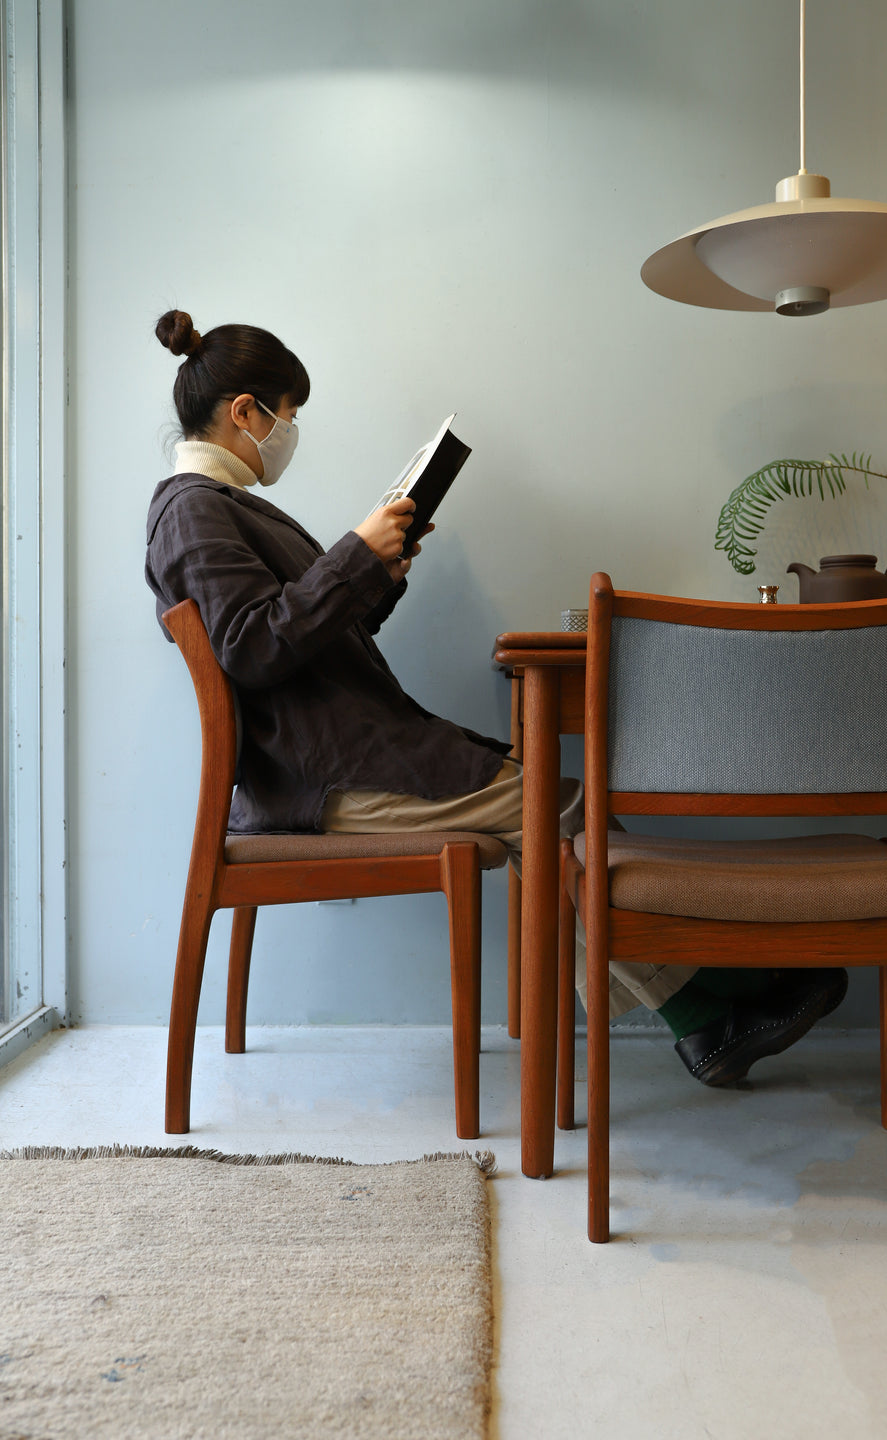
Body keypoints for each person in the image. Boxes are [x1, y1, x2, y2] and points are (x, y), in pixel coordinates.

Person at [145, 309, 847, 1087]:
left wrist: (380, 571)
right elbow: (251, 647)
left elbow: (303, 639)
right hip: (325, 778)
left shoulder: (225, 506)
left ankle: (710, 1016)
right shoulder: (193, 511)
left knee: (555, 806)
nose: (290, 432)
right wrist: (352, 559)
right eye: (289, 415)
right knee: (560, 809)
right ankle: (717, 1007)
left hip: (338, 755)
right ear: (246, 412)